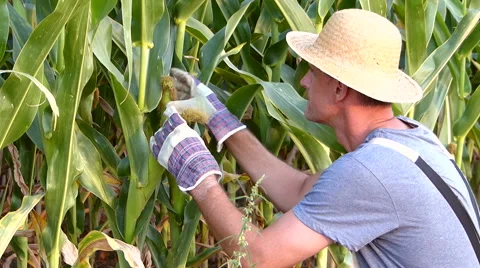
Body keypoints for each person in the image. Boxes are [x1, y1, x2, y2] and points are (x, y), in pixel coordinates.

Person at [150, 9, 480, 267]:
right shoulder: (411, 141)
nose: (304, 82)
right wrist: (221, 122)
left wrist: (199, 177)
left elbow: (258, 258)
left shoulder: (370, 172)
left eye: (314, 73)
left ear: (339, 89)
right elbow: (299, 191)